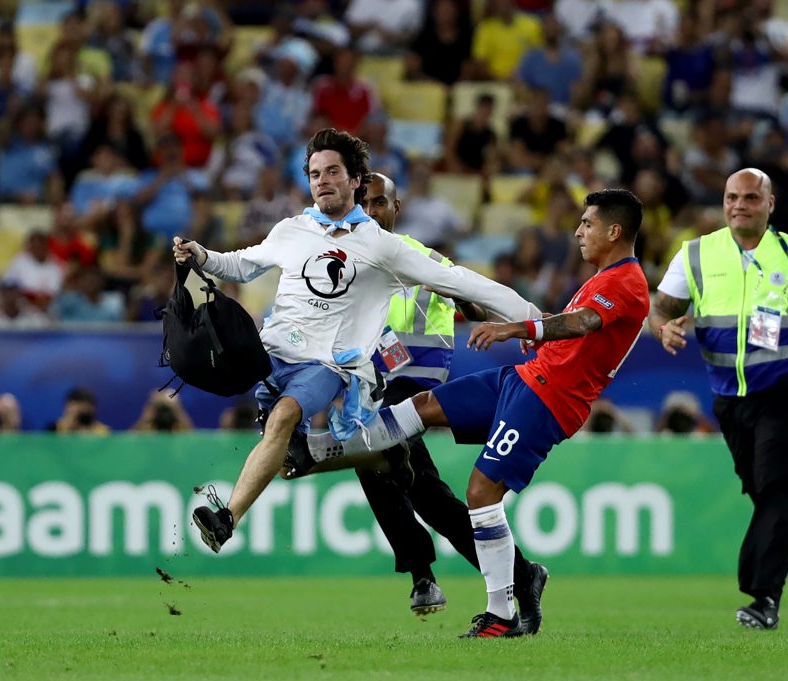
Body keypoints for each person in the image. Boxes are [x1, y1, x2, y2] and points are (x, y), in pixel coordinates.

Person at [172, 127, 540, 557]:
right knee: (291, 459)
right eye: (314, 174)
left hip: (330, 367)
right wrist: (201, 256)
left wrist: (534, 319)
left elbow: (459, 281)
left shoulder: (382, 247)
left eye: (332, 172)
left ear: (354, 181)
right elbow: (241, 265)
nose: (322, 181)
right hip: (274, 355)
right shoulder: (292, 230)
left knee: (283, 418)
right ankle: (380, 457)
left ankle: (227, 519)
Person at [302, 188, 649, 637]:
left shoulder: (626, 280)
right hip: (526, 378)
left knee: (480, 493)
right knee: (421, 410)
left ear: (614, 230)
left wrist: (515, 327)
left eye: (588, 223)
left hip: (549, 398)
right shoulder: (603, 277)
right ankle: (334, 449)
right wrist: (537, 336)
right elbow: (574, 331)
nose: (579, 231)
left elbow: (582, 323)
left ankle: (501, 614)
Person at [355, 172, 549, 629]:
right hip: (369, 388)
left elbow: (475, 306)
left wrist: (455, 290)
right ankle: (523, 576)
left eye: (379, 202)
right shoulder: (346, 266)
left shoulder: (424, 259)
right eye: (363, 203)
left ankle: (423, 575)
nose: (371, 211)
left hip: (415, 388)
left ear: (396, 209)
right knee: (427, 493)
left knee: (374, 462)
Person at [648, 168, 788, 630]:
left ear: (770, 204)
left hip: (781, 393)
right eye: (731, 197)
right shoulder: (697, 254)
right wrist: (663, 326)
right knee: (764, 493)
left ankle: (763, 598)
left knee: (777, 488)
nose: (739, 205)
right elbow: (661, 307)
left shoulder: (787, 253)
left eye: (750, 197)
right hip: (729, 401)